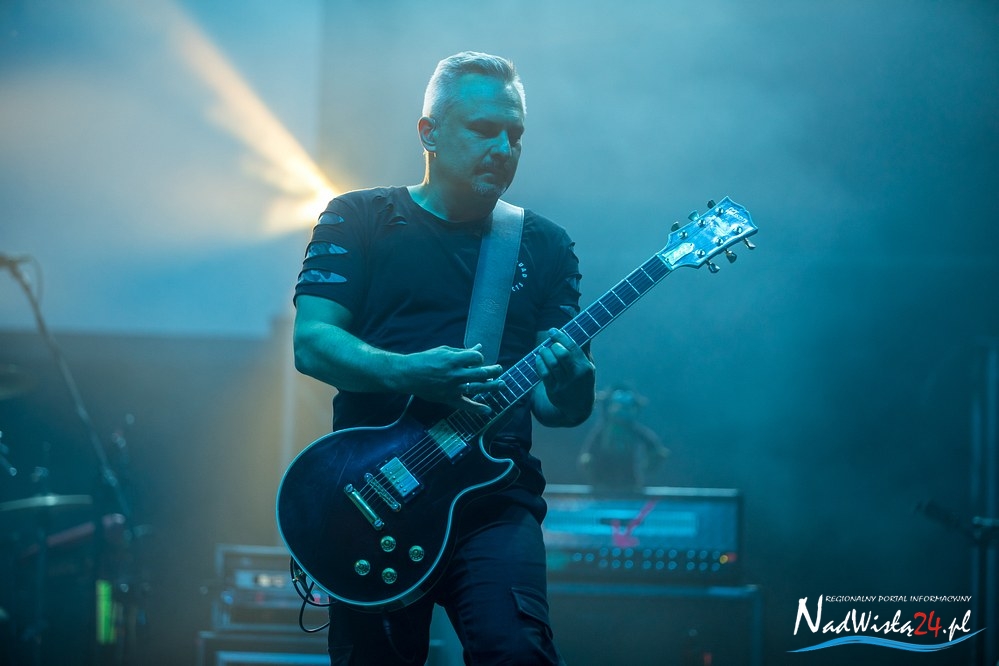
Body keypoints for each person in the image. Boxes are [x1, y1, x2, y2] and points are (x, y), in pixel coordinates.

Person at [293, 52, 596, 665]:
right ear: (428, 133)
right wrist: (409, 372)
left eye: (515, 135)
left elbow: (554, 406)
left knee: (518, 653)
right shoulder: (357, 218)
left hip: (493, 498)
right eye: (484, 130)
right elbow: (312, 342)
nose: (503, 149)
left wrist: (575, 385)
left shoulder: (545, 245)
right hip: (373, 494)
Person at [578, 384, 669, 492]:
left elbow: (653, 447)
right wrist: (588, 462)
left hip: (629, 479)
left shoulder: (633, 430)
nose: (621, 412)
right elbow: (589, 453)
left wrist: (653, 459)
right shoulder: (603, 431)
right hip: (604, 479)